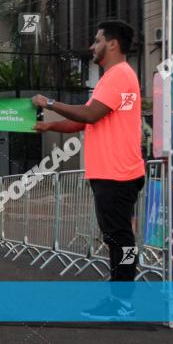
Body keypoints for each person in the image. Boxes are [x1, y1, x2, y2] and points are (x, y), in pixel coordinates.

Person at [32, 20, 145, 320]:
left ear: (112, 44)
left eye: (96, 41)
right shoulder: (113, 77)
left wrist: (50, 102)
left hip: (117, 173)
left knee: (120, 238)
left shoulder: (119, 75)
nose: (91, 46)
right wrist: (49, 125)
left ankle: (123, 301)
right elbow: (83, 120)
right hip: (111, 173)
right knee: (116, 237)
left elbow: (91, 114)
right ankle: (121, 296)